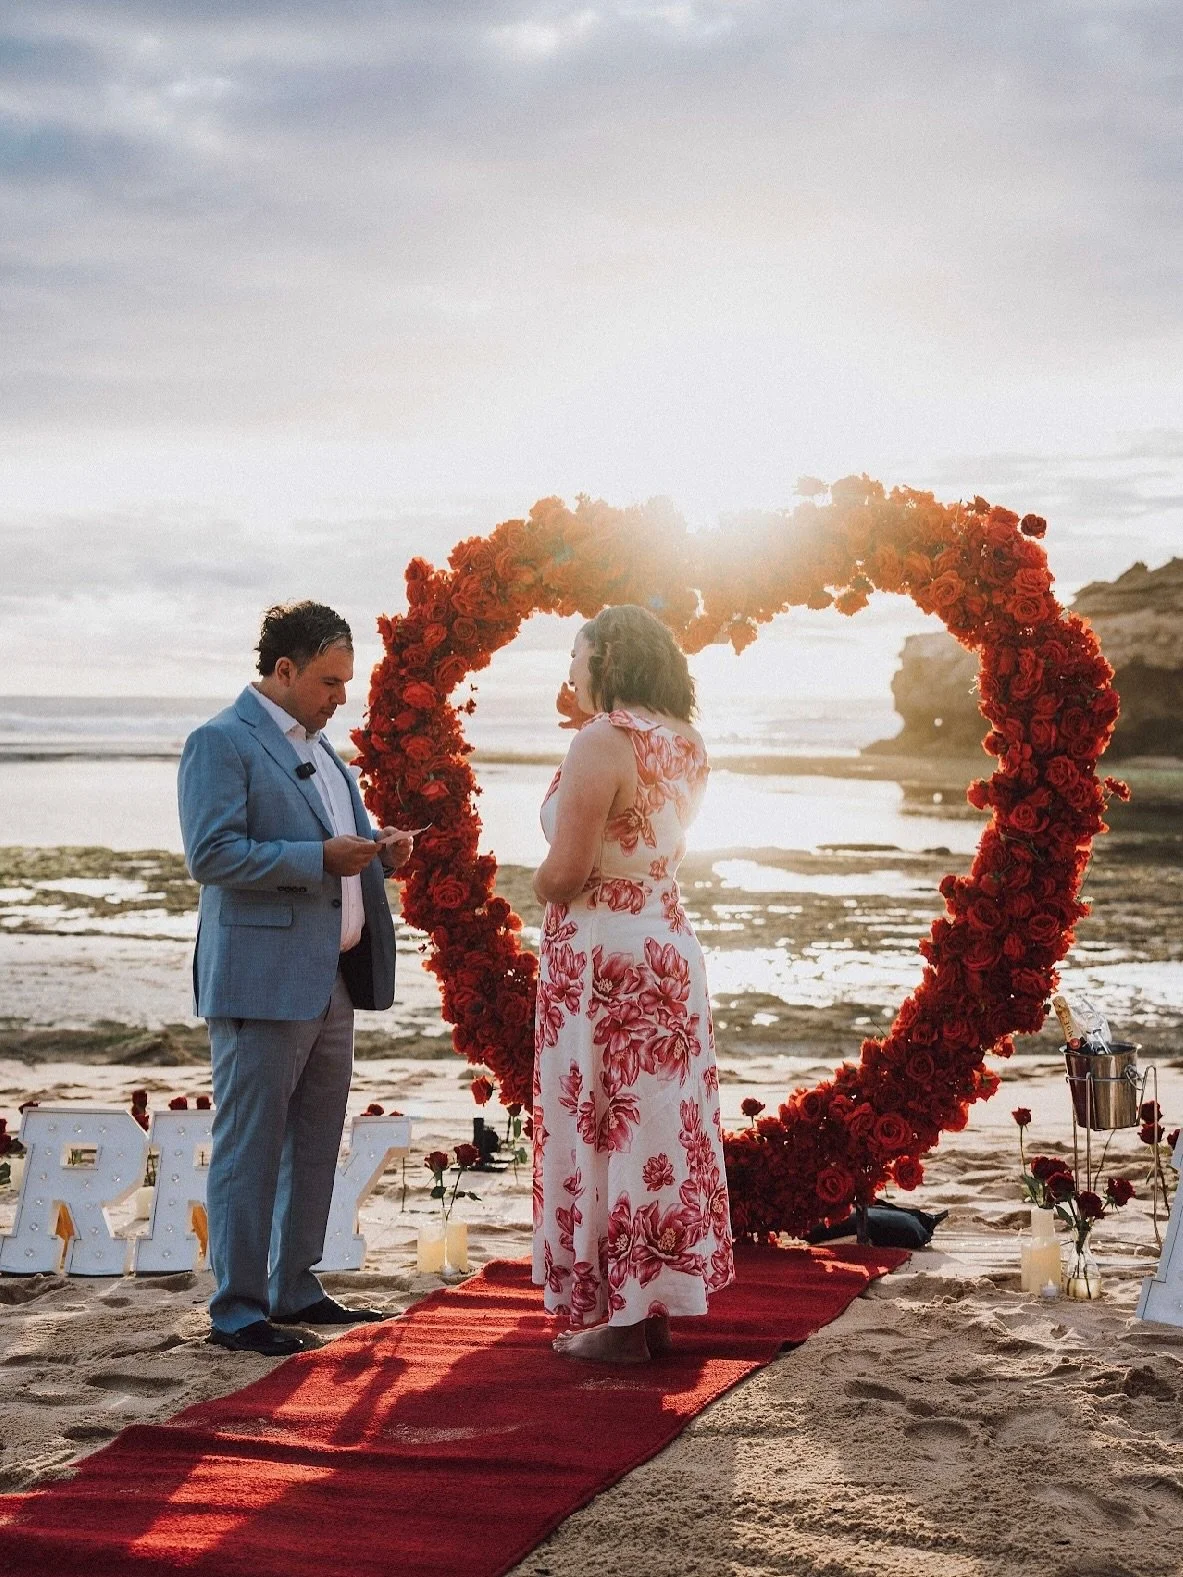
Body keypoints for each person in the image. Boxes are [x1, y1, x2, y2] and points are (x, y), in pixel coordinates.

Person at [178, 601, 413, 1356]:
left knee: (314, 1141)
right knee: (250, 1143)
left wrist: (383, 850)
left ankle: (294, 1285)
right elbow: (212, 855)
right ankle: (238, 1308)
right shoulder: (221, 741)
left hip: (331, 977)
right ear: (284, 670)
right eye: (328, 680)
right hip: (260, 980)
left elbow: (342, 844)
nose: (340, 696)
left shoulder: (325, 750)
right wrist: (317, 859)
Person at [531, 604, 734, 1363]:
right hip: (666, 946)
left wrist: (534, 878)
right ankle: (650, 1309)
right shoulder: (685, 741)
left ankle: (617, 1322)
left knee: (604, 1125)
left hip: (605, 961)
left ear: (606, 657)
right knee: (655, 1126)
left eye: (576, 657)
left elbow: (568, 871)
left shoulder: (602, 741)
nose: (569, 672)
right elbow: (653, 846)